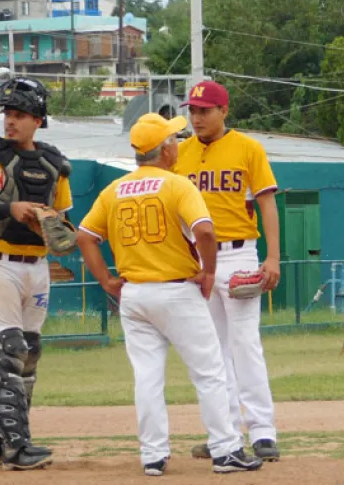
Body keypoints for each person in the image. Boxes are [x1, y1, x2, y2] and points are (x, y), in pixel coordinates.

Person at [76, 113, 263, 476]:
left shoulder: (114, 189)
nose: (177, 144)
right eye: (173, 140)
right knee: (209, 372)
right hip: (177, 292)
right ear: (164, 150)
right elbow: (205, 232)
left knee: (147, 377)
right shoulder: (177, 185)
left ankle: (153, 456)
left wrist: (105, 280)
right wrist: (209, 272)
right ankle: (226, 451)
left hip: (134, 295)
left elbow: (85, 236)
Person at [0, 77, 72, 470]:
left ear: (39, 119)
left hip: (36, 267)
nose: (11, 121)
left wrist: (58, 226)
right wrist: (8, 209)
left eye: (21, 114)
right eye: (8, 113)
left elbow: (62, 216)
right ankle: (16, 447)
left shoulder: (55, 164)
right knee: (8, 349)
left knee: (28, 354)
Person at [174, 81, 282, 463]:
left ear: (224, 110)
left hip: (239, 255)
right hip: (196, 260)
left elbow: (267, 204)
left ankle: (263, 431)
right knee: (211, 350)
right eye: (193, 110)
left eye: (205, 110)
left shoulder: (248, 148)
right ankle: (225, 433)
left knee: (245, 343)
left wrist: (273, 258)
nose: (197, 117)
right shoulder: (179, 152)